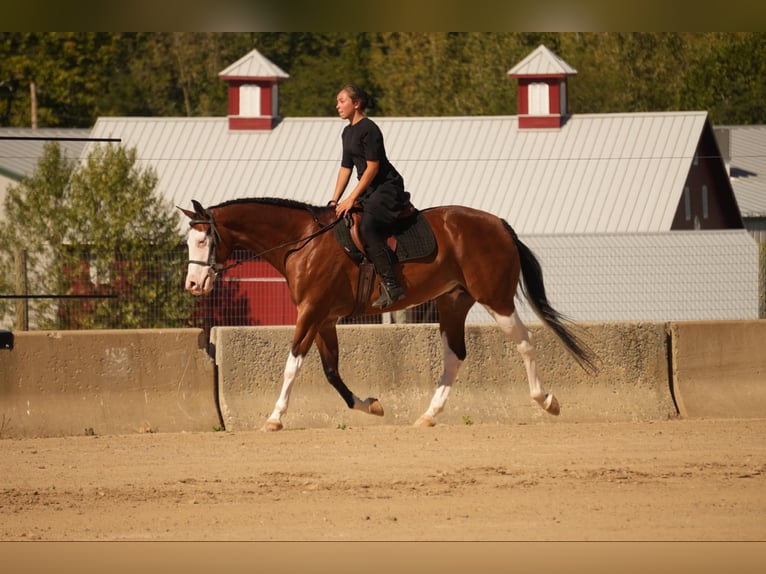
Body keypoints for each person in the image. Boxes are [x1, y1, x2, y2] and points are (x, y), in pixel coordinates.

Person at [329, 84, 411, 309]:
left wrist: (352, 198)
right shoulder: (347, 132)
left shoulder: (369, 129)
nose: (337, 106)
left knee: (366, 227)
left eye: (342, 101)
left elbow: (372, 168)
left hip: (386, 188)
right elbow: (346, 168)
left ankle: (393, 286)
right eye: (337, 101)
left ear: (356, 104)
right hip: (369, 190)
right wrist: (335, 200)